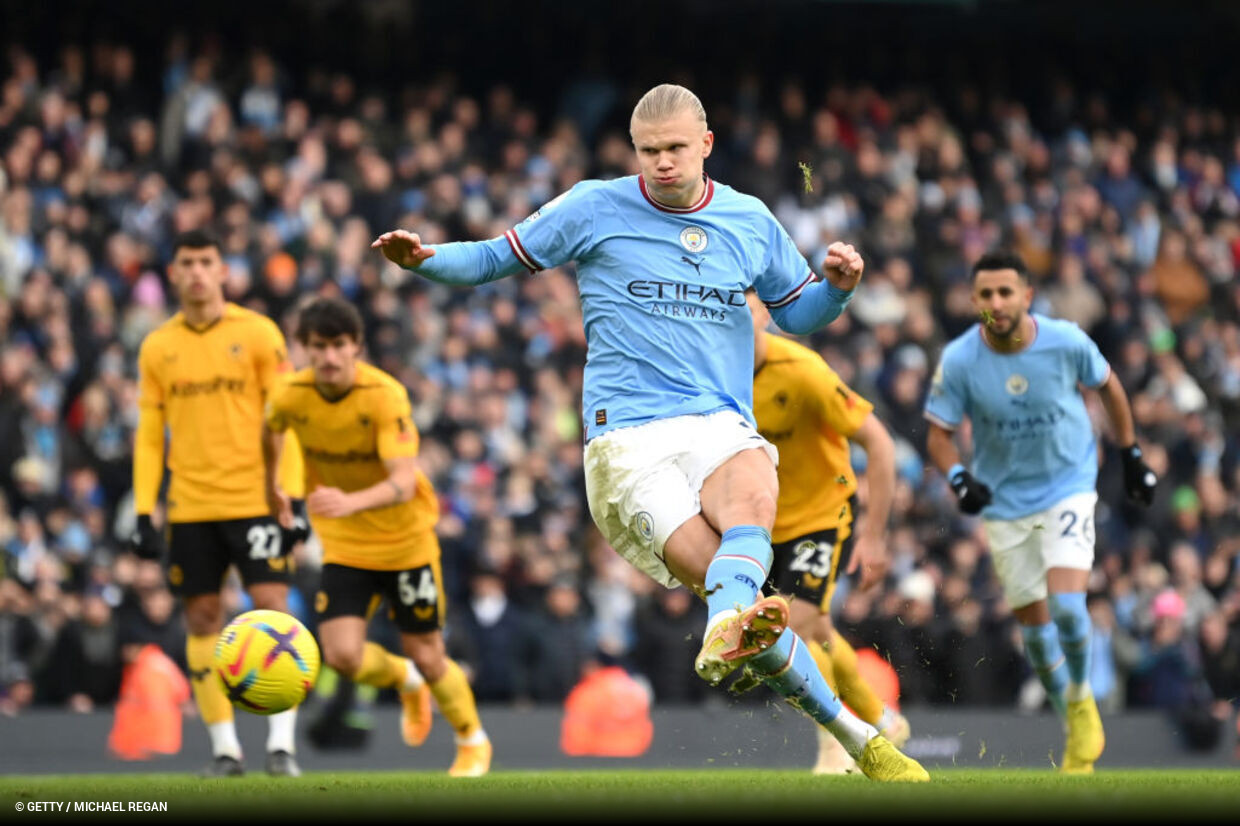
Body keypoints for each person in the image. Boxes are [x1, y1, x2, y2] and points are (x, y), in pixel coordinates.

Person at [373, 83, 926, 781]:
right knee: (749, 607)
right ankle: (842, 724)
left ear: (705, 146)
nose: (662, 163)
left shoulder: (749, 220)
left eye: (674, 149)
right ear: (634, 151)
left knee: (754, 522)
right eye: (648, 151)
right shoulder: (592, 206)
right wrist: (427, 259)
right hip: (627, 443)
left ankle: (859, 743)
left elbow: (797, 314)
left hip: (721, 424)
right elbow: (494, 257)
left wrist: (839, 288)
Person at [924, 250, 1157, 774]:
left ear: (1027, 296)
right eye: (985, 294)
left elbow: (1110, 388)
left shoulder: (1066, 341)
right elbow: (939, 435)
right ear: (973, 300)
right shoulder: (960, 360)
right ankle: (1071, 713)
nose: (996, 303)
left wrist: (1131, 452)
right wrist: (959, 479)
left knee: (1070, 608)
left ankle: (1081, 696)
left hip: (1068, 487)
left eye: (1006, 292)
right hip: (1005, 505)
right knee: (1035, 634)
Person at [263, 297, 491, 777]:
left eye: (338, 346)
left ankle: (472, 740)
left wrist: (349, 501)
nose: (328, 357)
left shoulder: (384, 396)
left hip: (405, 544)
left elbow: (403, 483)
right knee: (341, 656)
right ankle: (403, 678)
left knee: (429, 654)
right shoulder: (289, 395)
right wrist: (278, 486)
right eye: (318, 347)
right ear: (304, 348)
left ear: (356, 348)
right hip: (346, 547)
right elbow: (274, 431)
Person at [131, 229, 307, 777]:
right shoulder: (158, 346)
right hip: (190, 506)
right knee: (203, 617)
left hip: (255, 499)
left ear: (224, 270)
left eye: (208, 262)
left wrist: (293, 498)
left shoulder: (258, 334)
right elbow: (147, 432)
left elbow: (287, 417)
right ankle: (225, 750)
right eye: (188, 263)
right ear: (174, 274)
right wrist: (143, 508)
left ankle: (281, 746)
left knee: (273, 608)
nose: (199, 272)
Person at [746, 291, 911, 773]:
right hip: (759, 523)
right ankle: (881, 717)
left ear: (762, 318)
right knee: (814, 628)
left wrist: (875, 535)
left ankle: (836, 744)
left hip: (822, 514)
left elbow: (879, 444)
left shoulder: (803, 371)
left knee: (796, 625)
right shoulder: (712, 377)